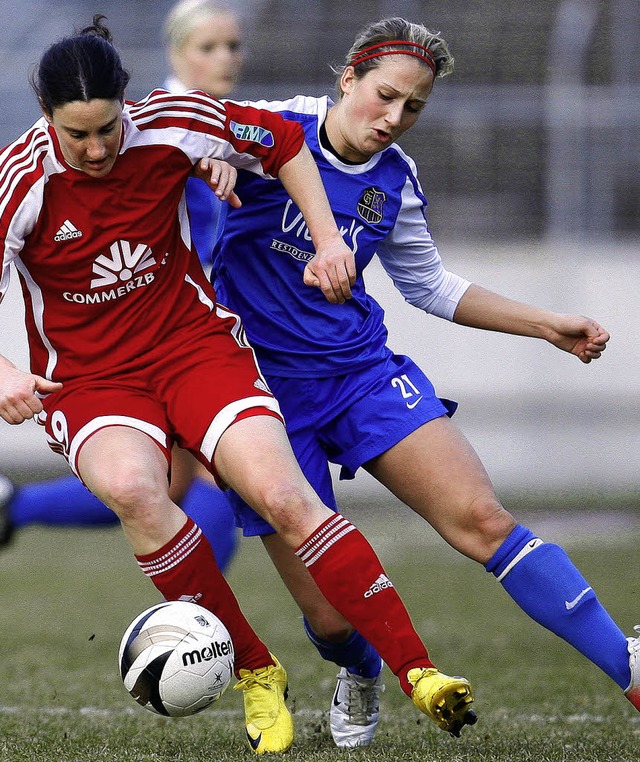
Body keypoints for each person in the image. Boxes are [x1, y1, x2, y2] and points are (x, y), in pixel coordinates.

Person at [0, 15, 477, 755]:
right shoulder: (21, 179)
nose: (95, 150)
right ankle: (258, 671)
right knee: (133, 488)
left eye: (107, 131)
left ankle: (420, 672)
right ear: (46, 119)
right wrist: (4, 372)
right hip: (89, 379)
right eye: (76, 135)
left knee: (286, 496)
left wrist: (326, 241)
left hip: (193, 347)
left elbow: (286, 145)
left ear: (128, 103)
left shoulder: (173, 120)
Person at [196, 15, 639, 748]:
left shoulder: (394, 180)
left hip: (361, 373)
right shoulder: (270, 130)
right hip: (258, 400)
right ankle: (361, 667)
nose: (394, 118)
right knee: (334, 618)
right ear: (347, 80)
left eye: (414, 108)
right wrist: (208, 161)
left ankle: (627, 666)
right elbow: (179, 139)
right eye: (384, 96)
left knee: (484, 520)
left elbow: (429, 284)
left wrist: (544, 324)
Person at [0, 0, 245, 573]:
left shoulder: (218, 124)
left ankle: (16, 504)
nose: (225, 58)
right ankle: (202, 621)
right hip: (172, 327)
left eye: (233, 45)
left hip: (216, 313)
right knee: (205, 478)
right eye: (208, 47)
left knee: (166, 481)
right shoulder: (143, 127)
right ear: (175, 51)